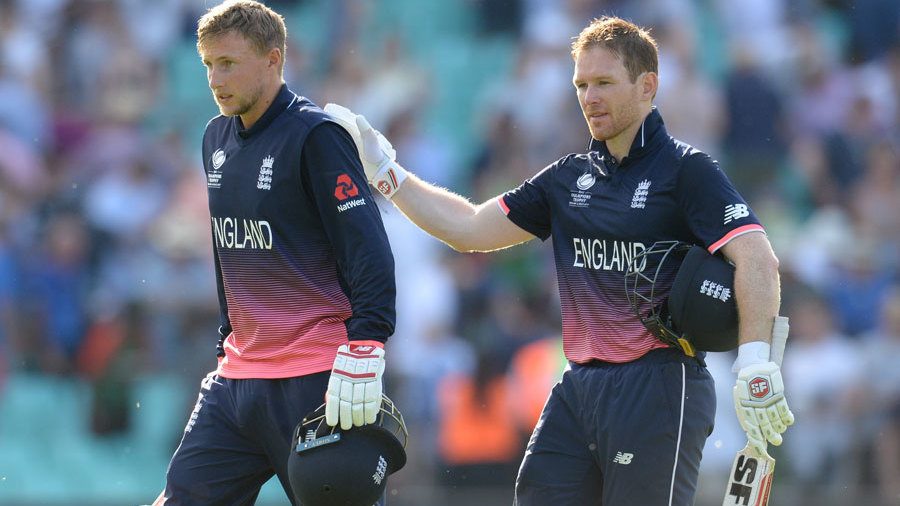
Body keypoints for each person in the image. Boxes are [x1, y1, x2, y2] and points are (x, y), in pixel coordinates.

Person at [331, 16, 793, 505]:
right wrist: (387, 173)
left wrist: (754, 363)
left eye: (604, 84)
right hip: (579, 388)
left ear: (647, 86)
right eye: (582, 85)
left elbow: (757, 258)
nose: (589, 98)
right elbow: (468, 229)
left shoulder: (686, 170)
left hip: (660, 386)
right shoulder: (567, 178)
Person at [153, 1, 397, 504]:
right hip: (238, 379)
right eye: (208, 65)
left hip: (314, 380)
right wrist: (226, 338)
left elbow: (368, 246)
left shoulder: (315, 136)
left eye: (228, 63)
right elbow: (231, 250)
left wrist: (368, 344)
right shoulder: (214, 137)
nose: (215, 79)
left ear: (273, 58)